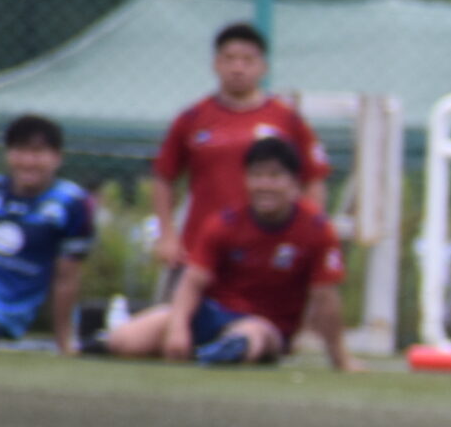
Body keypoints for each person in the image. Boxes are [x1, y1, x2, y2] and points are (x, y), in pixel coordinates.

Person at [104, 138, 353, 369]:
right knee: (124, 341)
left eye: (275, 176)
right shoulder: (225, 223)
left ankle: (223, 351)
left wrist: (339, 358)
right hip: (213, 314)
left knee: (252, 335)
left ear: (294, 182)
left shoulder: (315, 230)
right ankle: (110, 339)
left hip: (266, 326)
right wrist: (178, 328)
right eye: (257, 176)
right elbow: (192, 281)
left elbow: (325, 296)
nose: (265, 185)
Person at [150, 22, 331, 290]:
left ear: (263, 67)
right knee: (179, 314)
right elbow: (163, 177)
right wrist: (167, 235)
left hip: (266, 255)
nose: (238, 68)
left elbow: (313, 179)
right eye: (230, 59)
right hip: (200, 252)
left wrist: (307, 236)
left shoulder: (287, 119)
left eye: (247, 60)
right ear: (216, 64)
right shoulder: (192, 118)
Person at [0, 114, 95, 354]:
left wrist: (64, 341)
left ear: (57, 157)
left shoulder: (71, 203)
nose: (29, 161)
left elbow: (66, 278)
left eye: (38, 152)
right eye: (21, 150)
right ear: (8, 154)